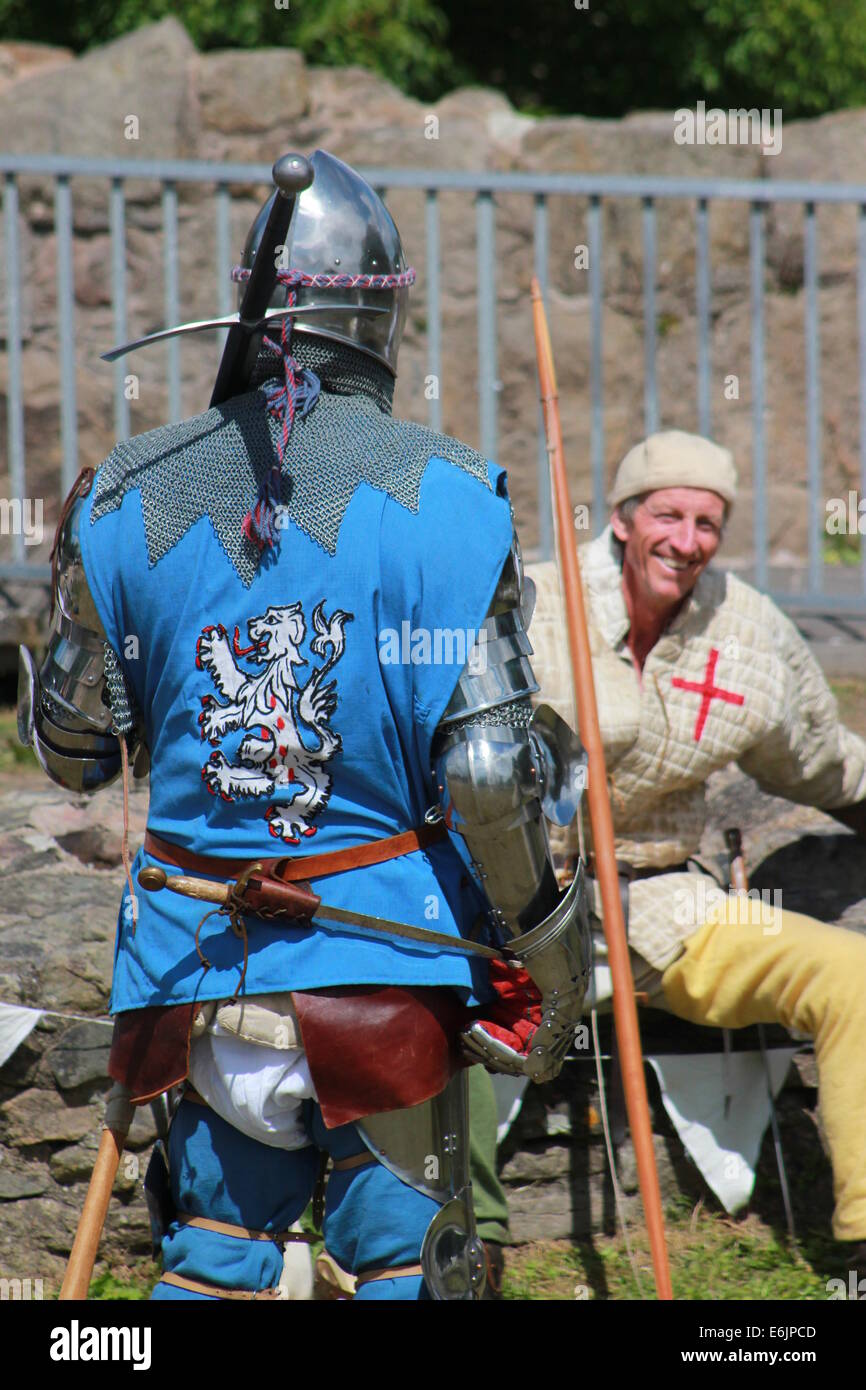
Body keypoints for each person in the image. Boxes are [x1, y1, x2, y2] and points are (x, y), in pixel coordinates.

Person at [19, 150, 590, 1301]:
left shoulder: (122, 493)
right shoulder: (448, 493)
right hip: (384, 968)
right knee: (406, 1271)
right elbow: (485, 772)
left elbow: (70, 752)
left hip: (196, 972)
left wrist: (76, 584)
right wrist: (548, 951)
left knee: (214, 1263)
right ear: (377, 318)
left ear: (249, 306)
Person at [526, 429, 866, 1270]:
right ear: (621, 519)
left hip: (665, 906)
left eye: (707, 523)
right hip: (515, 908)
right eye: (668, 515)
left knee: (850, 977)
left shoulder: (748, 633)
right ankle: (462, 1247)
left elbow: (821, 760)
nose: (686, 540)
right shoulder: (534, 605)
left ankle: (861, 1241)